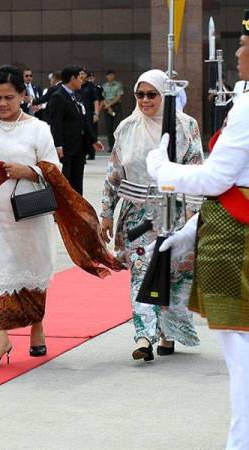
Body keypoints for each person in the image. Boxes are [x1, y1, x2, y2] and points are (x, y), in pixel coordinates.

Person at [145, 11, 249, 447]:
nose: (239, 53)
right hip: (228, 226)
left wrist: (161, 170)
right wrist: (191, 230)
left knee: (242, 360)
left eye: (245, 45)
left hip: (237, 243)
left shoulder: (247, 106)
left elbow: (215, 180)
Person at [100, 69, 204, 361]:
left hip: (176, 211)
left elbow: (196, 168)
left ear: (164, 94)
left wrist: (194, 215)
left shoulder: (185, 126)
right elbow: (113, 174)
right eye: (139, 94)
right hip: (137, 214)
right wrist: (106, 213)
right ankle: (144, 336)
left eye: (152, 94)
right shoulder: (126, 127)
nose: (145, 100)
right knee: (141, 270)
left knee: (172, 271)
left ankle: (168, 334)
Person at [0, 65, 60, 367]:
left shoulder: (39, 129)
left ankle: (37, 328)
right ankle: (1, 337)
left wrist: (30, 171)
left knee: (32, 270)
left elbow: (54, 169)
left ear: (23, 96)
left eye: (8, 98)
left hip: (30, 216)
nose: (1, 104)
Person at [48, 66, 103, 195]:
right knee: (65, 182)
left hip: (79, 146)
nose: (81, 80)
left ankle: (79, 209)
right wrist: (58, 145)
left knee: (77, 182)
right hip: (66, 148)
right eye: (80, 78)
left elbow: (84, 121)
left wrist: (93, 140)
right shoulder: (58, 96)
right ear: (72, 78)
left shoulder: (78, 96)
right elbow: (56, 123)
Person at [79, 69, 100, 160]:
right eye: (80, 74)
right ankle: (82, 154)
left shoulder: (90, 85)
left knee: (91, 132)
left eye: (83, 73)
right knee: (81, 134)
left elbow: (95, 100)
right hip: (79, 113)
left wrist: (96, 113)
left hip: (89, 112)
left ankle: (92, 153)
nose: (81, 75)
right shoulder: (77, 85)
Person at [102, 69, 124, 152]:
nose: (110, 77)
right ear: (106, 76)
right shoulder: (104, 86)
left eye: (112, 75)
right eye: (108, 75)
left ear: (114, 76)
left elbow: (118, 97)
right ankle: (111, 146)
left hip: (116, 107)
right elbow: (102, 98)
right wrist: (108, 107)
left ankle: (118, 146)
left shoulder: (118, 85)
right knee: (109, 128)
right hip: (107, 108)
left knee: (117, 126)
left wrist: (109, 105)